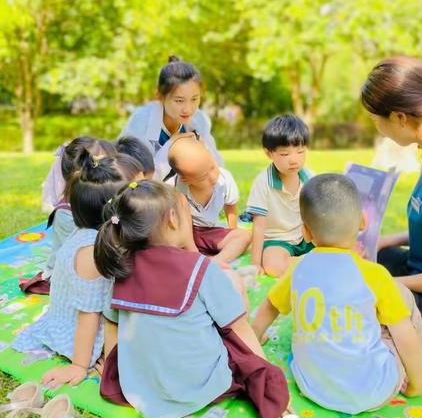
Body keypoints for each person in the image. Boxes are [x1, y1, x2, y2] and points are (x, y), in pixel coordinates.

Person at [94, 181, 289, 418]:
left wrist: (118, 374)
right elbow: (240, 330)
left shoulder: (122, 268)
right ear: (174, 219)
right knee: (233, 309)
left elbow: (112, 324)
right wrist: (266, 379)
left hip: (141, 391)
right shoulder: (201, 269)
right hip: (200, 388)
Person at [252, 174, 422, 414]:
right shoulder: (375, 274)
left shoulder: (297, 267)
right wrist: (417, 384)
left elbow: (270, 305)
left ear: (306, 233)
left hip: (312, 385)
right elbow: (404, 336)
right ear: (363, 222)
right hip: (375, 388)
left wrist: (254, 337)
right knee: (401, 297)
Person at [12, 151, 143, 389]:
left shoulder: (95, 233)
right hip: (78, 331)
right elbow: (88, 315)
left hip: (78, 316)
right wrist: (80, 365)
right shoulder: (90, 253)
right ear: (114, 213)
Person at [361, 56, 422, 344]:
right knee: (364, 262)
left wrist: (391, 285)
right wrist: (384, 241)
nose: (375, 126)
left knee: (358, 299)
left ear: (400, 117)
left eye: (376, 119)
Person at [19, 137, 117, 295]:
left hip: (94, 260)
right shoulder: (66, 214)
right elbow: (81, 258)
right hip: (68, 274)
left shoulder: (104, 198)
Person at [120, 56, 223, 182]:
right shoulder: (141, 122)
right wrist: (172, 144)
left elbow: (218, 169)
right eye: (179, 100)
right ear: (159, 96)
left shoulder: (199, 119)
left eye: (194, 99)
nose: (188, 109)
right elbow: (139, 181)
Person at [246, 114, 313, 277]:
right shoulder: (263, 183)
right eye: (285, 154)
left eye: (300, 152)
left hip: (306, 238)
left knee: (338, 249)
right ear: (269, 153)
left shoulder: (310, 177)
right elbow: (259, 226)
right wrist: (256, 263)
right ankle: (311, 263)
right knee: (274, 266)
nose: (294, 160)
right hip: (277, 241)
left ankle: (307, 262)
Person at [168, 137, 250, 266]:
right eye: (203, 177)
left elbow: (230, 205)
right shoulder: (175, 188)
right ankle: (194, 259)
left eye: (212, 167)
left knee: (244, 236)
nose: (212, 178)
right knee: (165, 249)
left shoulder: (224, 179)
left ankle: (215, 261)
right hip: (184, 233)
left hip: (208, 233)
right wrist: (191, 248)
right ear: (185, 179)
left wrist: (232, 229)